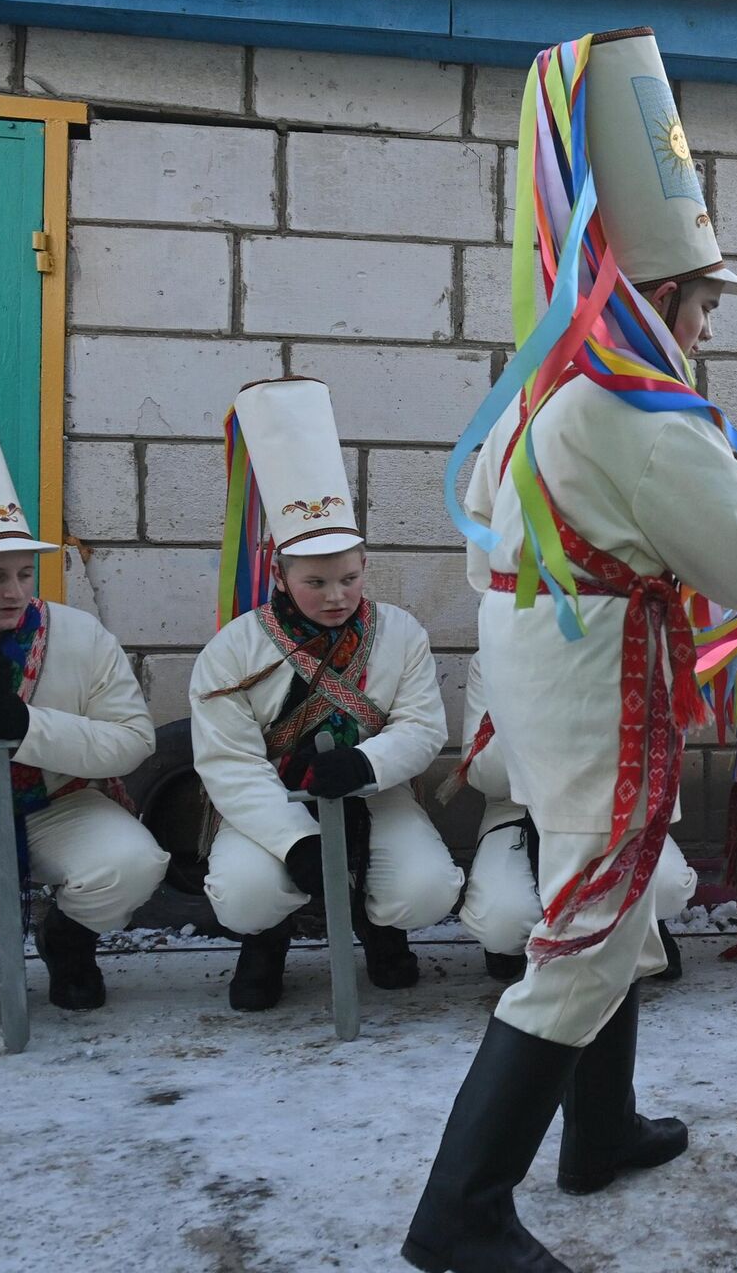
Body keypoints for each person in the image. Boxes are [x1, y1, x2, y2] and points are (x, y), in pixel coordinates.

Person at [404, 29, 737, 1273]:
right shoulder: (633, 412)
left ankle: (598, 1129)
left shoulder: (551, 385)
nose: (707, 325)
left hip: (550, 656)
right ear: (657, 296)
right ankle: (461, 1212)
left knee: (596, 875)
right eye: (702, 301)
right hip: (591, 670)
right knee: (594, 912)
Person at [191, 377, 463, 1012]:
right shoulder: (235, 648)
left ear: (365, 566)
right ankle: (266, 941)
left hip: (371, 788)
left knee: (426, 887)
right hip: (273, 796)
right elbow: (229, 760)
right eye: (316, 581)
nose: (337, 595)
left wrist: (366, 764)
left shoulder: (401, 631)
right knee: (246, 891)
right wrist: (296, 838)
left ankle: (384, 929)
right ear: (281, 575)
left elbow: (423, 728)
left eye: (350, 576)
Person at [0, 378, 166, 1036]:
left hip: (52, 803)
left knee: (132, 862)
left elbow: (131, 739)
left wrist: (29, 727)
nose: (16, 592)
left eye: (25, 574)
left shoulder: (76, 635)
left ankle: (69, 941)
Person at [451, 652, 696, 983]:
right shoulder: (493, 657)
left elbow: (658, 756)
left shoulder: (624, 644)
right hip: (518, 809)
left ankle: (640, 927)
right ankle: (514, 945)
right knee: (501, 920)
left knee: (666, 885)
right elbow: (482, 774)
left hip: (606, 805)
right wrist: (533, 718)